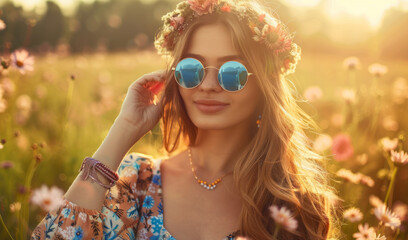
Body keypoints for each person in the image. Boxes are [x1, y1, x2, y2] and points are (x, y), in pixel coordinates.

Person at [31, 0, 339, 239]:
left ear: (264, 87)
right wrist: (124, 129)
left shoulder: (296, 202)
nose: (207, 85)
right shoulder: (136, 182)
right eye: (192, 69)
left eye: (232, 73)